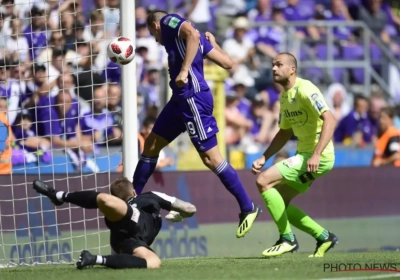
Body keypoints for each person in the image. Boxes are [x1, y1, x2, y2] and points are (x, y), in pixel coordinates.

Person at [134, 10, 260, 238]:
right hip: (180, 100)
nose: (155, 39)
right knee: (151, 144)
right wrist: (215, 44)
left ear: (154, 26)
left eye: (153, 34)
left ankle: (247, 207)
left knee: (211, 158)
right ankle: (132, 202)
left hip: (192, 97)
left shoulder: (168, 21)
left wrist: (183, 70)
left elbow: (191, 32)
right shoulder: (192, 39)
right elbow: (227, 62)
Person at [252, 53, 338, 257]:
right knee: (280, 200)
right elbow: (284, 131)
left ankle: (287, 239)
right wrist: (265, 156)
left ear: (292, 69)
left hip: (317, 156)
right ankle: (323, 236)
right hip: (307, 156)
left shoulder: (306, 89)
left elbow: (330, 120)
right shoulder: (284, 97)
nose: (273, 68)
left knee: (263, 181)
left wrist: (316, 154)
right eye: (272, 65)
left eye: (279, 65)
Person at [32, 177, 197, 269]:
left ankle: (94, 259)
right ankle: (59, 196)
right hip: (134, 219)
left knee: (154, 262)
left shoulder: (143, 198)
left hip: (128, 240)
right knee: (103, 199)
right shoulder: (150, 195)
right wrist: (180, 215)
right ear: (134, 192)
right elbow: (190, 208)